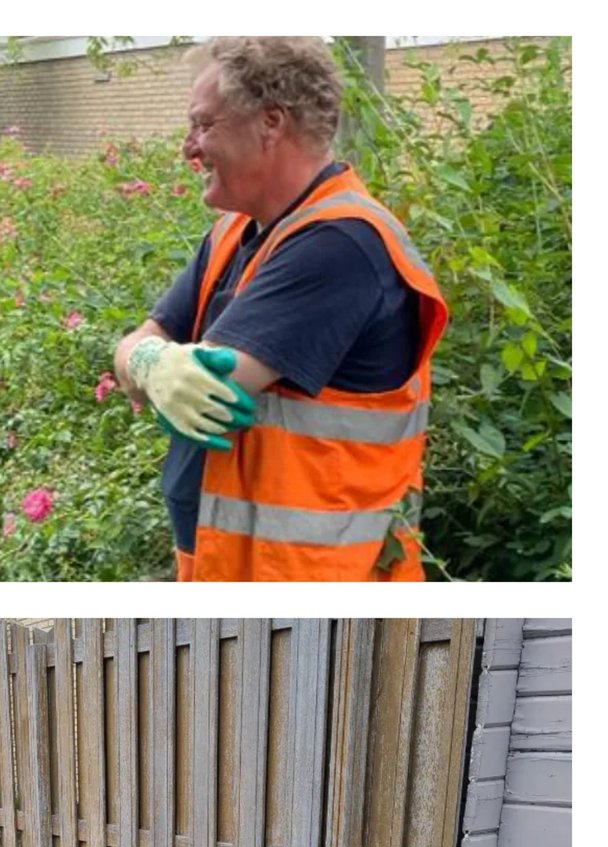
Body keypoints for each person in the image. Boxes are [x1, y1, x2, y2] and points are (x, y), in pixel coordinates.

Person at [114, 37, 449, 583]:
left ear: (270, 123)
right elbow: (137, 343)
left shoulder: (339, 244)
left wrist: (149, 362)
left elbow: (214, 385)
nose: (189, 148)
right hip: (234, 566)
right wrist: (148, 359)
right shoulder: (234, 232)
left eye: (203, 125)